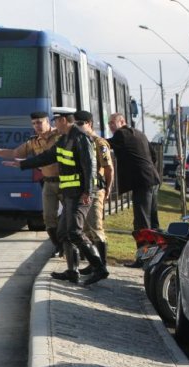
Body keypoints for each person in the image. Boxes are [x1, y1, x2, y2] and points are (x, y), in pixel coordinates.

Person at [3, 108, 108, 286]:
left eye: (56, 120)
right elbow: (46, 157)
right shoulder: (64, 140)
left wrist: (87, 192)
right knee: (63, 232)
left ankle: (100, 268)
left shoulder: (80, 138)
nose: (53, 124)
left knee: (74, 231)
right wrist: (21, 165)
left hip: (80, 194)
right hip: (69, 193)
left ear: (65, 121)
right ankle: (72, 271)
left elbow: (90, 167)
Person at [0, 111, 63, 257]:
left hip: (66, 181)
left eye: (39, 122)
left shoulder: (60, 136)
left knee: (68, 217)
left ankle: (74, 246)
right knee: (49, 218)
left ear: (47, 122)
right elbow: (14, 153)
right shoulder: (33, 141)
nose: (36, 126)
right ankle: (59, 247)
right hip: (48, 183)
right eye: (33, 123)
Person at [107, 113, 160, 268]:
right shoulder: (139, 133)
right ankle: (157, 257)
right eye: (109, 123)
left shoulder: (121, 134)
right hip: (152, 179)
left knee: (142, 222)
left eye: (112, 123)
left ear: (122, 121)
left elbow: (106, 144)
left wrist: (91, 136)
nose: (110, 126)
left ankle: (143, 259)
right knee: (152, 220)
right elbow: (154, 155)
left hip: (142, 182)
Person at [73, 110, 114, 275]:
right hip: (83, 190)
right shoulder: (79, 141)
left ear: (89, 123)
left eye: (80, 123)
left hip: (96, 190)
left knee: (96, 226)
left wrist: (108, 188)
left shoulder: (99, 143)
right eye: (75, 124)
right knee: (86, 229)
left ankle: (102, 265)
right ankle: (94, 263)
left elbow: (109, 168)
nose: (77, 127)